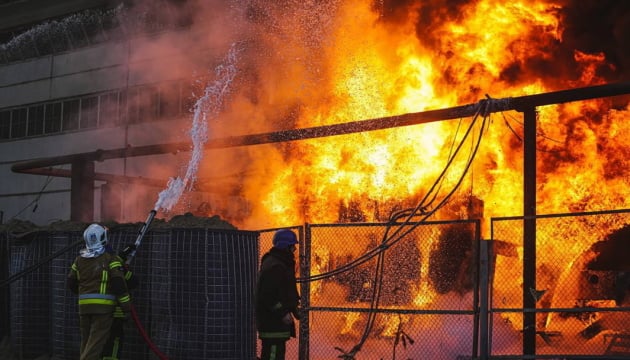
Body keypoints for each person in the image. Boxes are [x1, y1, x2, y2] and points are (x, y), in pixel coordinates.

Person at [67, 224, 132, 360]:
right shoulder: (110, 259)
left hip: (84, 308)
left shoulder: (79, 260)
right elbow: (119, 285)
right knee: (95, 345)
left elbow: (71, 283)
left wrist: (85, 294)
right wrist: (126, 308)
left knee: (86, 343)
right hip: (103, 310)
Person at [256, 229, 301, 360]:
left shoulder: (279, 262)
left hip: (275, 322)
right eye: (292, 246)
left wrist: (294, 309)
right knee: (273, 355)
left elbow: (285, 291)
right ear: (285, 246)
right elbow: (267, 295)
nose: (294, 249)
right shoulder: (276, 266)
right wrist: (282, 312)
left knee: (276, 354)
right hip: (272, 322)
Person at [101, 242, 138, 360]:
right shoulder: (116, 268)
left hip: (95, 313)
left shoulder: (89, 265)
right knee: (114, 342)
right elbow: (132, 282)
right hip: (114, 314)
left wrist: (122, 256)